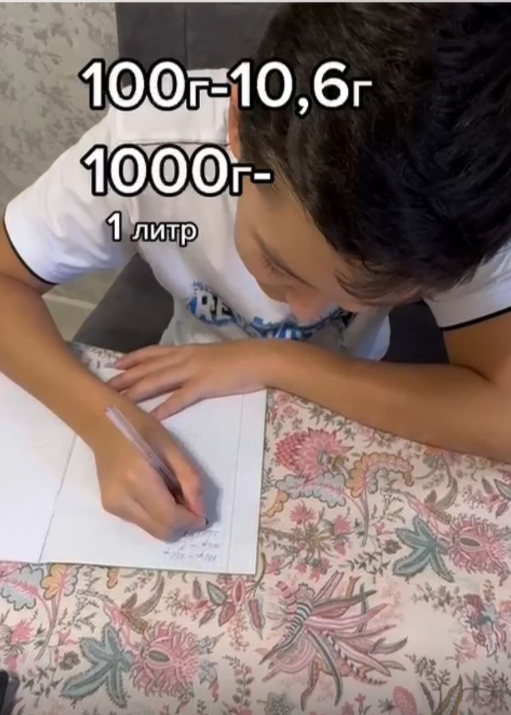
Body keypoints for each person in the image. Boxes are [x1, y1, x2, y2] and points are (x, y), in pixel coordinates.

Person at [1, 4, 510, 541]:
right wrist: (100, 422)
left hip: (354, 404)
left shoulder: (466, 203)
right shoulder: (148, 148)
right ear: (238, 126)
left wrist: (274, 361)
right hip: (183, 391)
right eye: (278, 264)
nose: (303, 313)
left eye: (363, 297)